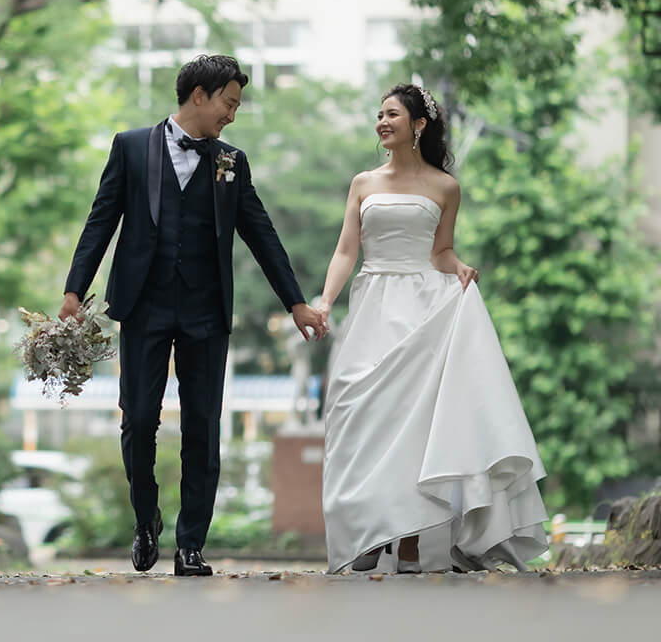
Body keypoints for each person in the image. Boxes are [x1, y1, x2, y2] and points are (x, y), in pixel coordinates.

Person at [60, 54, 326, 576]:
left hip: (206, 309)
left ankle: (190, 546)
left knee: (203, 426)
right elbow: (100, 221)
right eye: (229, 103)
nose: (233, 115)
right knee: (138, 421)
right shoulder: (131, 147)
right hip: (144, 305)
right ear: (199, 96)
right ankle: (145, 520)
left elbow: (261, 233)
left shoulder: (232, 161)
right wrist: (75, 291)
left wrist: (295, 301)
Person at [314, 84, 549, 574]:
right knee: (356, 411)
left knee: (417, 425)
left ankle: (412, 538)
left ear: (418, 125)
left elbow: (441, 250)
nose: (382, 121)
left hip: (424, 305)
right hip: (373, 304)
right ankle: (367, 528)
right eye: (378, 114)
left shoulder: (445, 187)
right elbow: (345, 250)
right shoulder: (362, 182)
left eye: (392, 114)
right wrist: (325, 301)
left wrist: (459, 266)